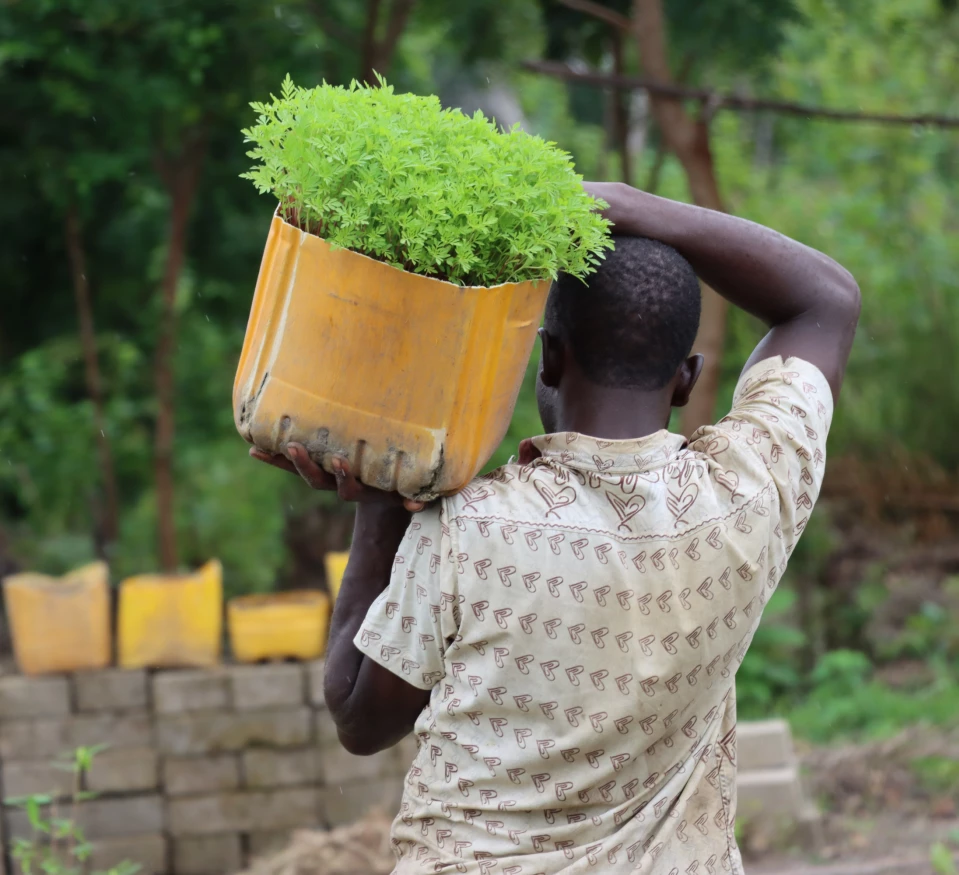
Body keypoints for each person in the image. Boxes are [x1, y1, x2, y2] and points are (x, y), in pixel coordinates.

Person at [252, 182, 860, 874]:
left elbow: (360, 718)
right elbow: (827, 300)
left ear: (546, 357)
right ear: (686, 379)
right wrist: (627, 204)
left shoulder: (469, 527)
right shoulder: (748, 492)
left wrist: (386, 488)